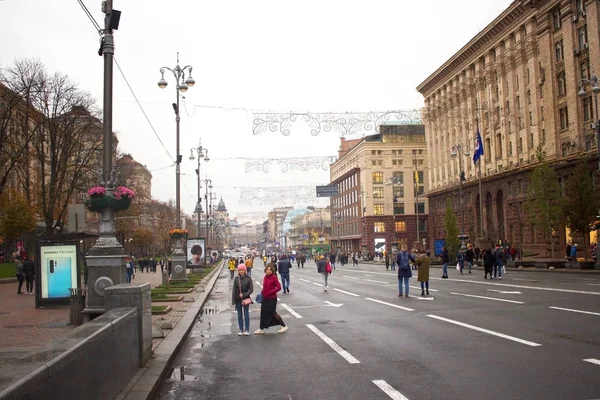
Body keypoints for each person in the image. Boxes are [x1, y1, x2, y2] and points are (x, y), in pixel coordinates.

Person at [255, 264, 287, 335]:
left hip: (272, 299)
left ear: (272, 271)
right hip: (265, 298)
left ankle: (283, 326)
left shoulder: (273, 278)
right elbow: (265, 287)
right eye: (267, 269)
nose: (268, 271)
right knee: (263, 313)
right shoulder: (265, 277)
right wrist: (262, 292)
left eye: (270, 270)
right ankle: (261, 328)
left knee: (273, 313)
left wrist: (270, 292)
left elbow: (279, 287)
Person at [232, 264, 253, 336]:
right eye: (240, 270)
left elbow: (251, 290)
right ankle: (241, 329)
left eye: (242, 270)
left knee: (246, 314)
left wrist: (244, 295)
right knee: (239, 314)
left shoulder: (248, 279)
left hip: (245, 298)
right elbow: (234, 290)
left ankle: (247, 329)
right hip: (238, 298)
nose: (241, 271)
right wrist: (233, 300)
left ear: (245, 270)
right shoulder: (236, 279)